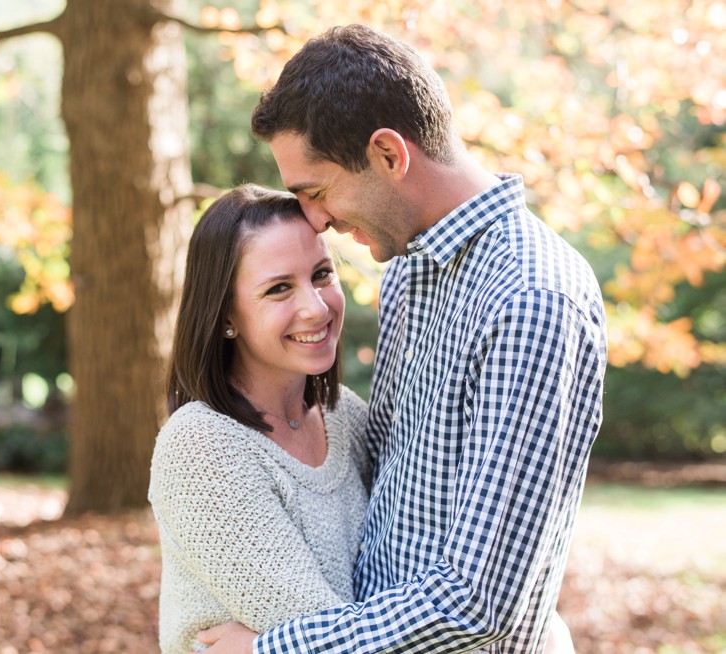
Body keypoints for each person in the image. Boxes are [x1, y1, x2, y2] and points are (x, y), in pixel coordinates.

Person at [196, 24, 607, 654]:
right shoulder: (414, 266)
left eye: (317, 189)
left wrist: (277, 648)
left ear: (389, 154)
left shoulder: (531, 299)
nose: (314, 217)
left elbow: (478, 602)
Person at [148, 184, 372, 654]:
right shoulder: (201, 447)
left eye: (322, 274)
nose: (315, 307)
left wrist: (264, 648)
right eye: (279, 288)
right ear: (226, 314)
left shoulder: (346, 416)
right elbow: (322, 632)